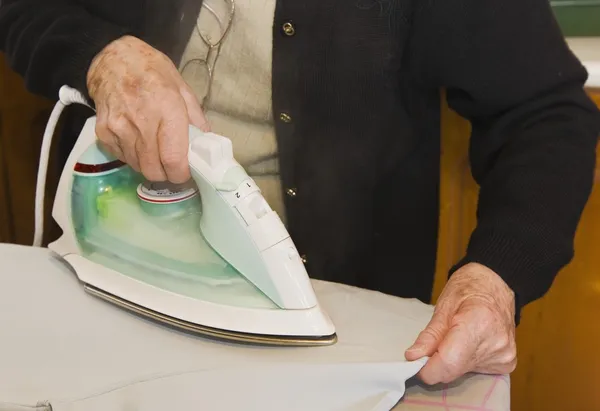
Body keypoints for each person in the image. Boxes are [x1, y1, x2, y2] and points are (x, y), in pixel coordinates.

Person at [1, 0, 599, 386]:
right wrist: (104, 59)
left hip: (348, 301)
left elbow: (544, 112)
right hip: (111, 284)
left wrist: (494, 279)